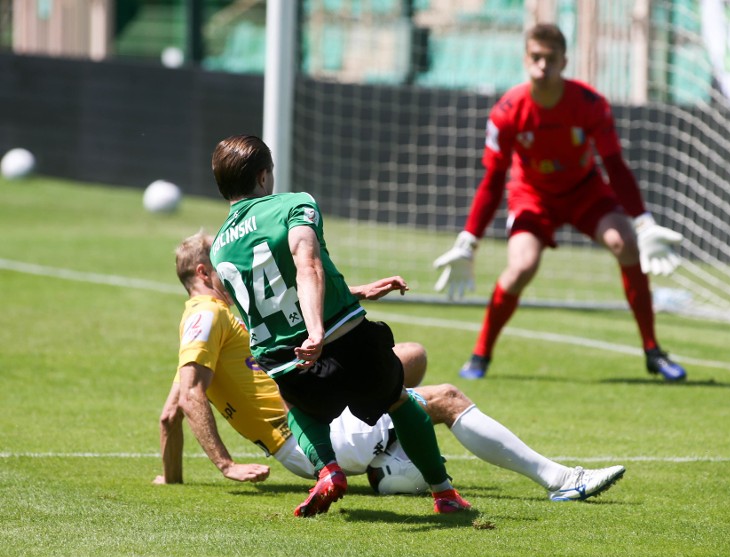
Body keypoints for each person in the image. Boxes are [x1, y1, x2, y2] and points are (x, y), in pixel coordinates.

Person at [154, 231, 625, 503]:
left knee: (409, 357)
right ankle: (561, 481)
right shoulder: (206, 315)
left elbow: (170, 410)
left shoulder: (219, 315)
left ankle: (388, 469)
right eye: (220, 263)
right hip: (307, 435)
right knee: (444, 399)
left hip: (315, 420)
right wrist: (225, 465)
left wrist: (170, 478)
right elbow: (191, 394)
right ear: (203, 274)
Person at [208, 134, 470, 517]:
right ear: (263, 177)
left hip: (284, 358)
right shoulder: (293, 204)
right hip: (339, 336)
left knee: (299, 407)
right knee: (398, 398)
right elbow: (306, 264)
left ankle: (328, 470)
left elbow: (277, 291)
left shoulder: (219, 248)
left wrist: (358, 289)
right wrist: (316, 330)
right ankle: (444, 493)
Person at [433, 23, 687, 382]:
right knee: (522, 266)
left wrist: (643, 222)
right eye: (536, 58)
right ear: (526, 59)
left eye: (550, 59)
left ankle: (652, 351)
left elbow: (614, 165)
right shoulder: (507, 111)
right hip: (532, 195)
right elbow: (493, 181)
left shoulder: (590, 104)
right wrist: (468, 240)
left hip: (585, 191)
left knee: (626, 244)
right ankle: (480, 354)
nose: (542, 66)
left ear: (564, 61)